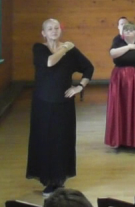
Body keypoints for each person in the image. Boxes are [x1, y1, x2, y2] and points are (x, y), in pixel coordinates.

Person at [26, 19, 94, 197]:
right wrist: (65, 48)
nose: (54, 31)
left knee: (61, 140)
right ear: (44, 33)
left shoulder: (71, 51)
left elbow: (88, 68)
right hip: (42, 103)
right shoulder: (39, 49)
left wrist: (79, 87)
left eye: (56, 28)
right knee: (44, 140)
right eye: (50, 29)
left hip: (63, 104)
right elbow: (50, 62)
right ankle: (47, 179)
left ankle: (58, 180)